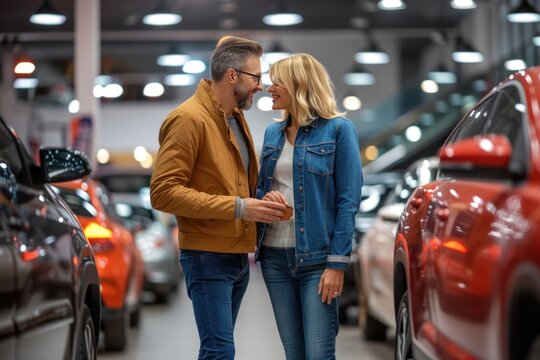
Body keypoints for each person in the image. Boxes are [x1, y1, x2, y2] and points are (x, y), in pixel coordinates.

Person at [150, 36, 286, 360]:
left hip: (235, 255)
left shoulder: (234, 118)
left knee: (216, 351)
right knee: (219, 351)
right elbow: (163, 192)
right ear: (233, 76)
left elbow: (230, 186)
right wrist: (241, 207)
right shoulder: (188, 119)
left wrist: (262, 199)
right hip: (206, 255)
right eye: (256, 77)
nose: (260, 86)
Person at [255, 53, 363, 360]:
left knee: (318, 354)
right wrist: (265, 198)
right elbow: (263, 188)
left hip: (318, 259)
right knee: (294, 354)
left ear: (298, 84)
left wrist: (337, 263)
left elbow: (347, 201)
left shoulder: (339, 130)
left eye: (277, 81)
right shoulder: (271, 133)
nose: (269, 87)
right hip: (274, 256)